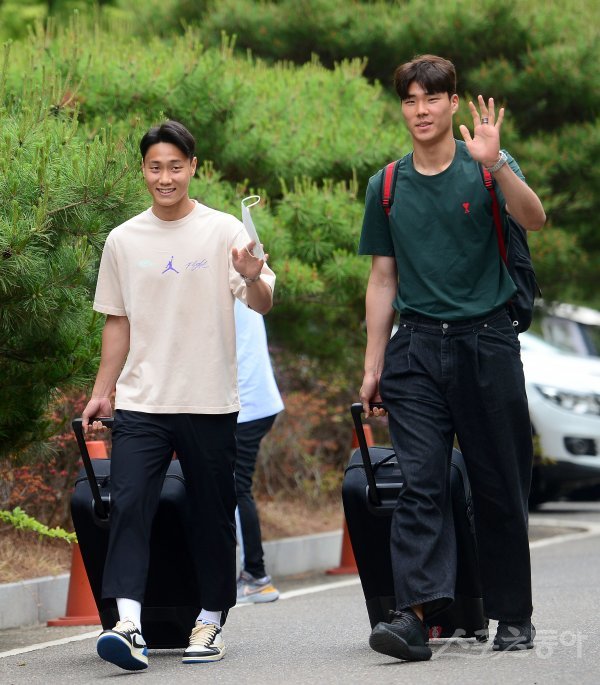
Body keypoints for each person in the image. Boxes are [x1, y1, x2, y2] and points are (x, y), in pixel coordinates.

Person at [358, 55, 546, 662]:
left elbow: (535, 218)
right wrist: (373, 365)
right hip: (415, 348)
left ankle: (512, 614)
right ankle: (413, 617)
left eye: (432, 98)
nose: (421, 110)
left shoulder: (487, 166)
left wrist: (498, 165)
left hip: (486, 341)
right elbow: (382, 278)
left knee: (498, 483)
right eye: (410, 100)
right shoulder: (386, 185)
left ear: (453, 103)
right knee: (422, 482)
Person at [81, 120, 275, 671]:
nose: (164, 177)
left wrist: (252, 276)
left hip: (209, 400)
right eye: (154, 167)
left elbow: (261, 301)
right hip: (142, 401)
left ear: (192, 167)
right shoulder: (123, 240)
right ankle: (128, 624)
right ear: (143, 171)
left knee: (211, 515)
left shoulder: (223, 231)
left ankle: (209, 620)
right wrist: (102, 392)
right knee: (129, 505)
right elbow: (117, 322)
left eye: (174, 166)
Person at [234, 298, 284, 603]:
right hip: (251, 401)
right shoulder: (238, 277)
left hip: (245, 405)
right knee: (229, 487)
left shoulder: (222, 278)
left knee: (235, 488)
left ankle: (255, 575)